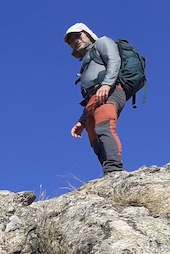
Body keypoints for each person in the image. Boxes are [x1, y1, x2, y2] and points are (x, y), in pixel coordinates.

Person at [65, 23, 127, 175]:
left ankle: (114, 169)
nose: (75, 41)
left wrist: (107, 84)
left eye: (78, 36)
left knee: (104, 127)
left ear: (87, 33)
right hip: (94, 99)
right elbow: (89, 97)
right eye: (71, 40)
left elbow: (114, 60)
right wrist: (82, 120)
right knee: (94, 138)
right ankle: (108, 172)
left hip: (110, 91)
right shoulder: (85, 62)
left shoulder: (102, 42)